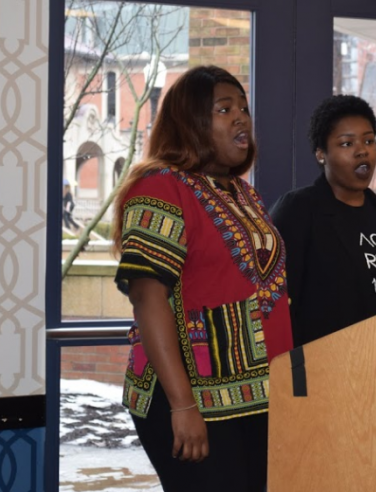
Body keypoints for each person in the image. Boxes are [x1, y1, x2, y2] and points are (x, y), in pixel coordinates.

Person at [111, 65, 293, 492]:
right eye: (223, 109)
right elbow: (147, 297)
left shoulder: (242, 192)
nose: (241, 117)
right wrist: (182, 404)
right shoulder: (159, 187)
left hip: (258, 397)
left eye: (243, 108)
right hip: (192, 397)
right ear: (189, 122)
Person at [270, 95, 376, 347]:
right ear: (321, 154)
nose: (362, 150)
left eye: (369, 141)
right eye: (347, 144)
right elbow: (276, 302)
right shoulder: (299, 210)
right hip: (323, 368)